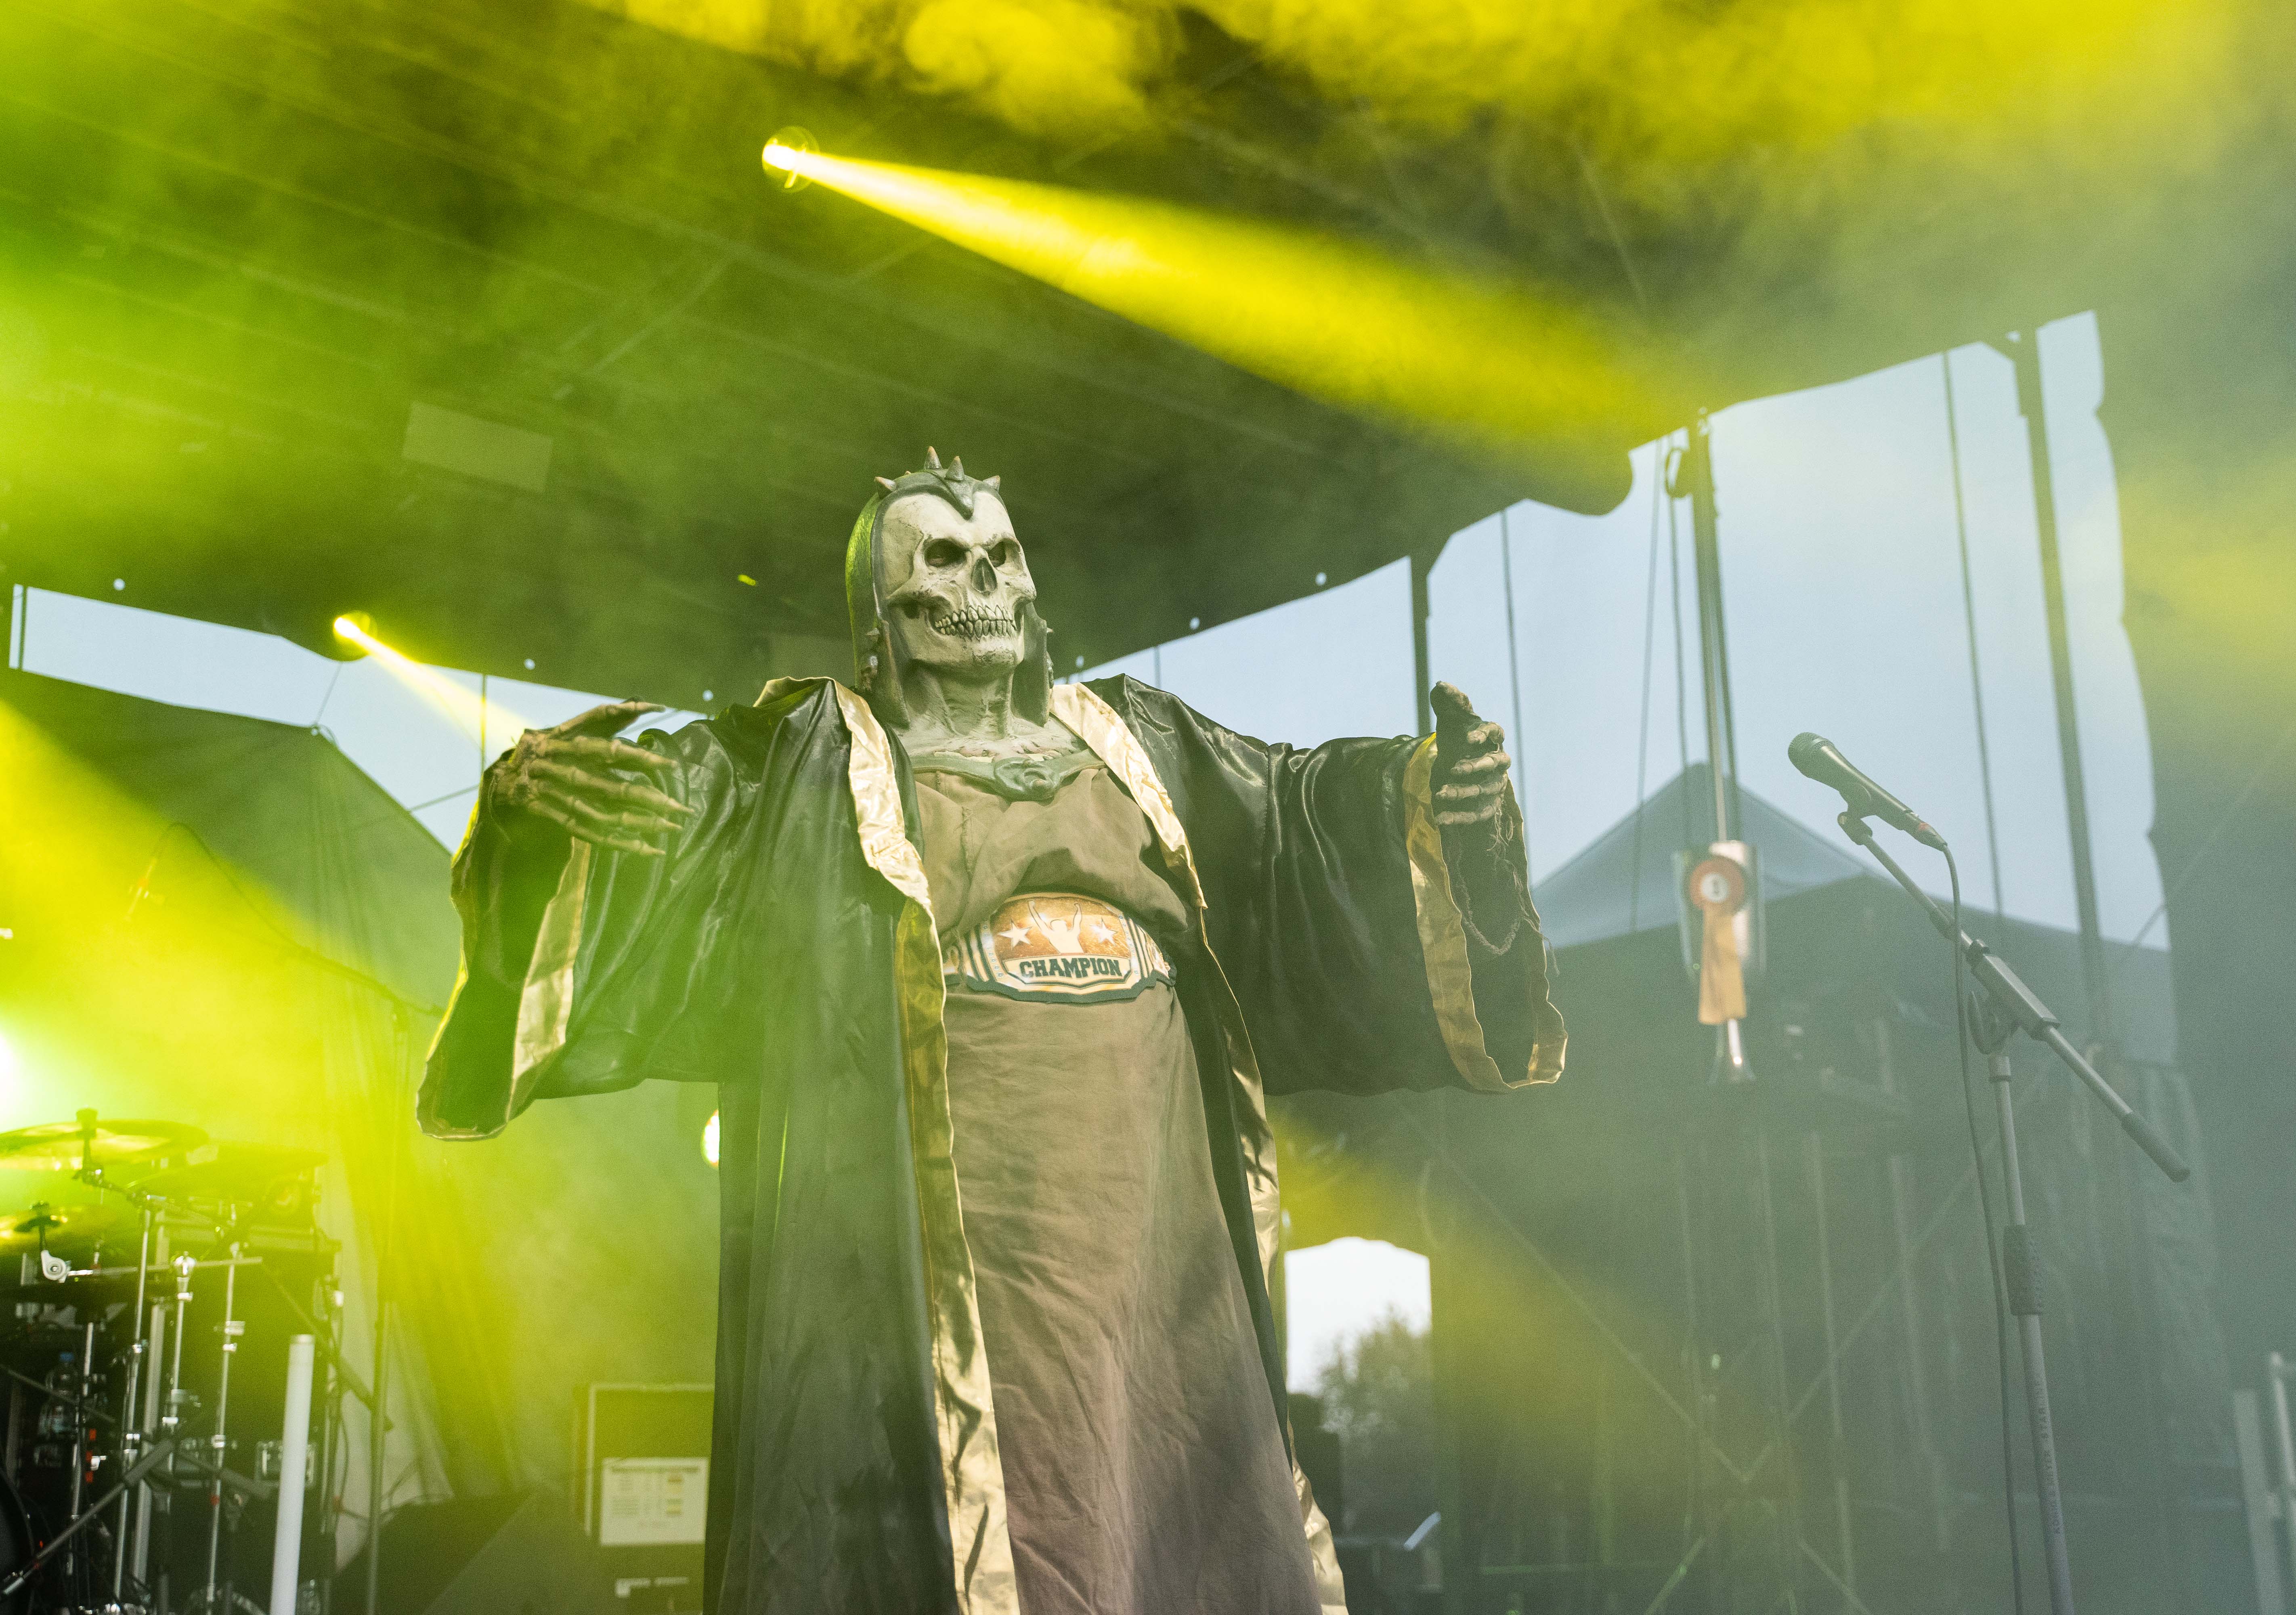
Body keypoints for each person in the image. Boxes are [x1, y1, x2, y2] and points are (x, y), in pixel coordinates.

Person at [420, 450, 1563, 1615]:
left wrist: (1428, 798)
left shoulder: (1135, 742)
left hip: (1157, 1249)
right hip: (955, 1251)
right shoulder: (816, 761)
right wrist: (529, 823)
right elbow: (664, 833)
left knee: (1177, 1512)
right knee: (992, 1520)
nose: (982, 582)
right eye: (944, 558)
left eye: (1001, 556)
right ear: (880, 614)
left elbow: (1296, 818)